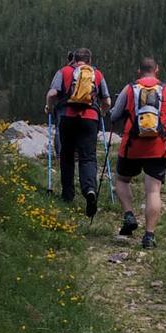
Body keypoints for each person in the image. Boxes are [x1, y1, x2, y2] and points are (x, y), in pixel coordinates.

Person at [108, 57, 166, 249]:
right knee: (153, 190)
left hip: (132, 146)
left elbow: (114, 116)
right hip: (159, 147)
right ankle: (149, 236)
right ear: (156, 70)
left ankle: (129, 215)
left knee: (121, 180)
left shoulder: (129, 89)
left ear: (139, 71)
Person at [45, 48, 111, 217]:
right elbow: (107, 100)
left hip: (67, 118)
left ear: (73, 59)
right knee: (88, 156)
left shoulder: (64, 72)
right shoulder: (97, 74)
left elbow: (52, 93)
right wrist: (102, 111)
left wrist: (49, 107)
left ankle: (67, 195)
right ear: (89, 60)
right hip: (90, 119)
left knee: (67, 156)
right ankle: (89, 189)